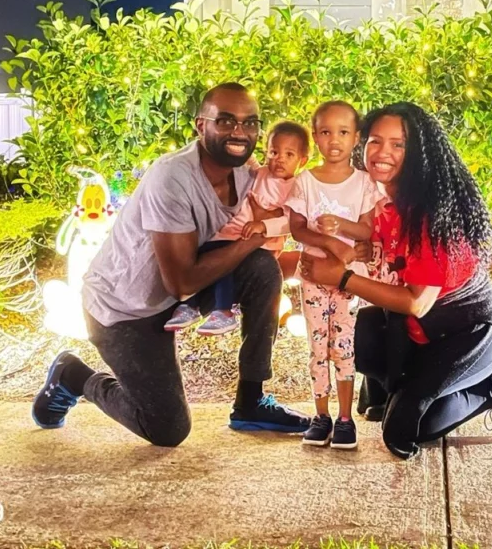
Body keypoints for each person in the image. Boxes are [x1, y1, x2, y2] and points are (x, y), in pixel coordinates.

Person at [31, 82, 311, 445]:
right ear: (200, 126)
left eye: (250, 123)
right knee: (167, 429)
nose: (240, 132)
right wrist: (260, 236)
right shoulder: (172, 178)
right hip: (124, 308)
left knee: (262, 269)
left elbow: (268, 254)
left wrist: (324, 263)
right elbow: (182, 282)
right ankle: (73, 375)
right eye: (226, 121)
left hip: (174, 295)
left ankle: (250, 402)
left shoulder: (248, 174)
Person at [300, 102, 492, 460]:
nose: (382, 153)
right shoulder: (384, 200)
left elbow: (415, 301)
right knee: (352, 335)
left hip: (473, 332)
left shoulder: (431, 216)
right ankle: (396, 388)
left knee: (406, 431)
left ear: (419, 151)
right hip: (423, 332)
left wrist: (340, 277)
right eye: (375, 141)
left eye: (398, 144)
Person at [286, 101, 383, 450]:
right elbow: (298, 229)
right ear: (315, 137)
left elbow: (367, 231)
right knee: (317, 347)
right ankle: (321, 415)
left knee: (342, 346)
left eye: (343, 132)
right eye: (325, 132)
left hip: (347, 281)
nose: (334, 140)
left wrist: (341, 227)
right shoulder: (305, 182)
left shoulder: (364, 184)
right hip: (313, 278)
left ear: (356, 137)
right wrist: (328, 240)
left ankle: (345, 419)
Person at [165, 121, 311, 336]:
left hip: (257, 242)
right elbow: (248, 162)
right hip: (233, 231)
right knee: (197, 254)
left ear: (302, 160)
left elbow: (290, 222)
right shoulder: (260, 173)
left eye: (289, 154)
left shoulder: (296, 188)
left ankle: (223, 311)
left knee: (223, 262)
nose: (279, 159)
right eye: (273, 152)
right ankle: (190, 305)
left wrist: (262, 224)